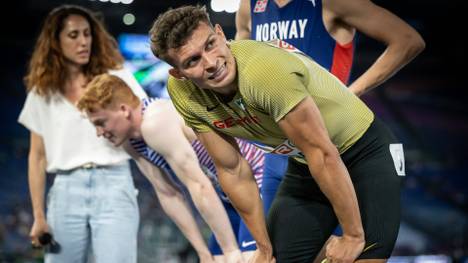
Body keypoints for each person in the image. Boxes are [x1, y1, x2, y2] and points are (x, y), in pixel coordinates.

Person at [149, 5, 408, 263]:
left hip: (365, 152)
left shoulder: (265, 72)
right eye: (192, 61)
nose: (211, 63)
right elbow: (233, 170)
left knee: (360, 256)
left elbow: (322, 152)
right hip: (305, 164)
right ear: (177, 73)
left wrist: (352, 236)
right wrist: (263, 249)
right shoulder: (184, 93)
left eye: (210, 45)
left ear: (220, 33)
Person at [235, 0, 425, 219]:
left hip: (329, 148)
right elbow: (240, 68)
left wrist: (350, 94)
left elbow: (408, 40)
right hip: (277, 155)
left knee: (339, 248)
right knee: (277, 250)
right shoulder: (249, 6)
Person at [76, 73, 266, 262]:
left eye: (101, 123)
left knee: (250, 258)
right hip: (227, 192)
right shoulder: (130, 140)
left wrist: (231, 250)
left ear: (124, 110)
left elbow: (199, 186)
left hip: (255, 178)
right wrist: (202, 252)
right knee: (217, 259)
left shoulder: (155, 123)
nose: (99, 133)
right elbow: (168, 193)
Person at [18, 5, 146, 263]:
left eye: (87, 34)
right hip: (65, 190)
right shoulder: (42, 92)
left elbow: (142, 121)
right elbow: (37, 157)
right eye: (73, 35)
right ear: (55, 42)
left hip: (114, 184)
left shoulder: (117, 76)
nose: (84, 41)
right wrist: (39, 217)